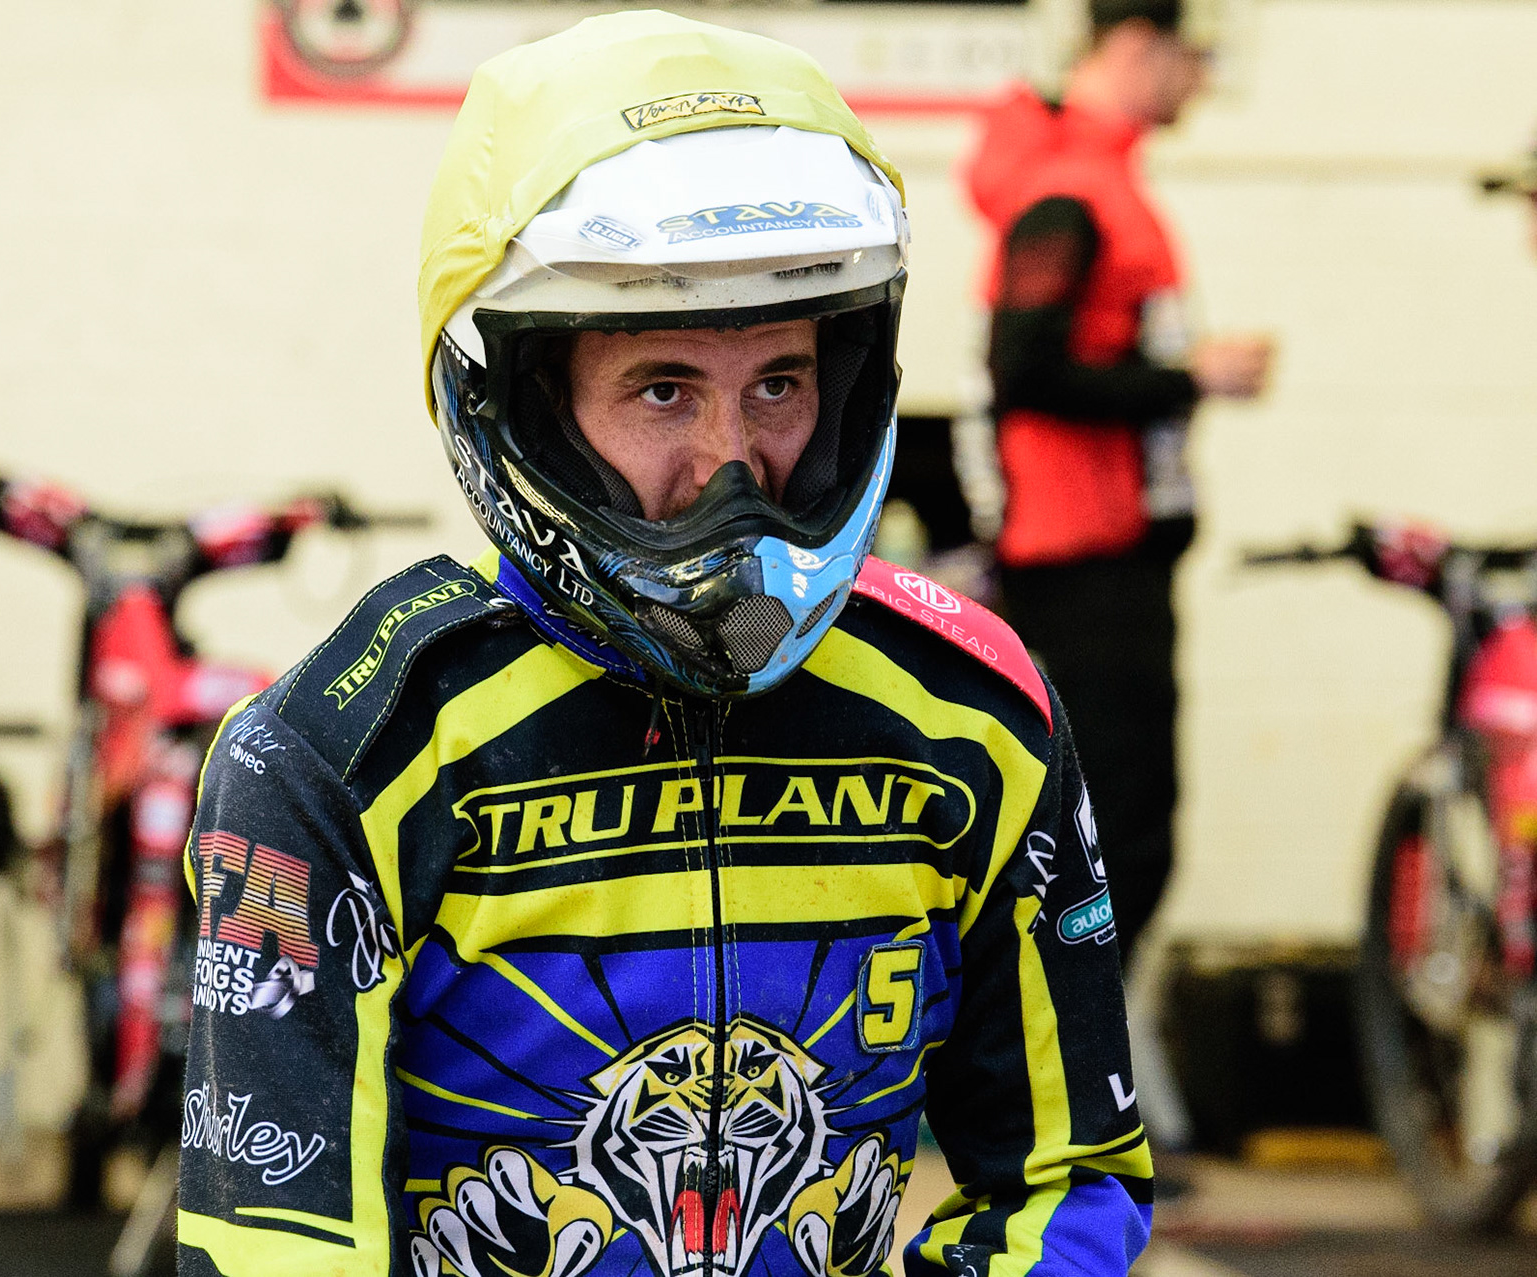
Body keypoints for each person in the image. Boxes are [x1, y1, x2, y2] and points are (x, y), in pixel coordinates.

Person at [177, 12, 1151, 1276]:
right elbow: (274, 1246)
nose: (733, 465)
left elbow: (1068, 1180)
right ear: (516, 400)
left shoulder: (970, 710)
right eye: (663, 387)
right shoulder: (345, 749)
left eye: (781, 384)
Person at [961, 0, 1272, 962]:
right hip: (1080, 567)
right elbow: (1025, 367)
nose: (1202, 79)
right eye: (1194, 57)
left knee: (1129, 830)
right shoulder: (1071, 191)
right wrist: (1192, 378)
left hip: (1113, 557)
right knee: (1114, 838)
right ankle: (1051, 1073)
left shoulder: (1097, 178)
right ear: (1139, 47)